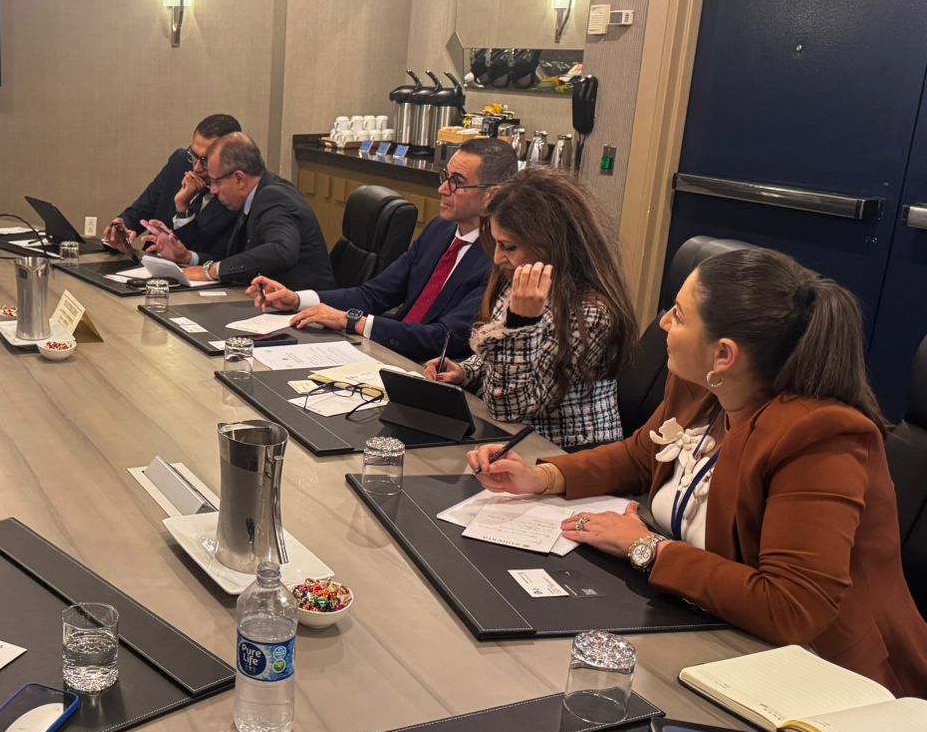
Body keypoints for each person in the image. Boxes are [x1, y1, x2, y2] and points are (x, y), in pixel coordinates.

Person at [468, 247, 927, 695]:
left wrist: (647, 548)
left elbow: (791, 607)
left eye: (679, 315)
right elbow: (640, 456)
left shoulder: (819, 437)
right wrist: (542, 477)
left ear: (724, 355)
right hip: (709, 629)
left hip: (820, 680)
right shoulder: (702, 384)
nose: (663, 322)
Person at [424, 169, 637, 450]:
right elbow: (503, 359)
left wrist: (520, 323)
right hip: (514, 436)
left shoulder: (592, 313)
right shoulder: (518, 277)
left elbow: (511, 406)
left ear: (549, 244)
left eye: (509, 247)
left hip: (566, 451)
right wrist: (467, 371)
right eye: (497, 244)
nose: (498, 258)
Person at [246, 138, 515, 357]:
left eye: (457, 182)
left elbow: (444, 338)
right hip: (386, 351)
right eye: (445, 176)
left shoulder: (500, 259)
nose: (443, 189)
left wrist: (354, 322)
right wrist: (297, 299)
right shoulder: (439, 230)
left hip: (430, 368)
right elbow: (373, 295)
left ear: (491, 195)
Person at [147, 134, 334, 291]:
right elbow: (236, 259)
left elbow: (281, 251)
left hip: (308, 310)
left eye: (216, 182)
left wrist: (212, 271)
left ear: (239, 179)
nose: (213, 190)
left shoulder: (274, 197)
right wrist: (187, 257)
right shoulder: (251, 199)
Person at [101, 113, 241, 258]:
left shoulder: (237, 195)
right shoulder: (180, 163)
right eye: (193, 155)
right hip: (147, 262)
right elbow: (141, 209)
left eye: (206, 160)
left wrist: (183, 209)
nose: (196, 168)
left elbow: (211, 258)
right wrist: (121, 228)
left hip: (190, 271)